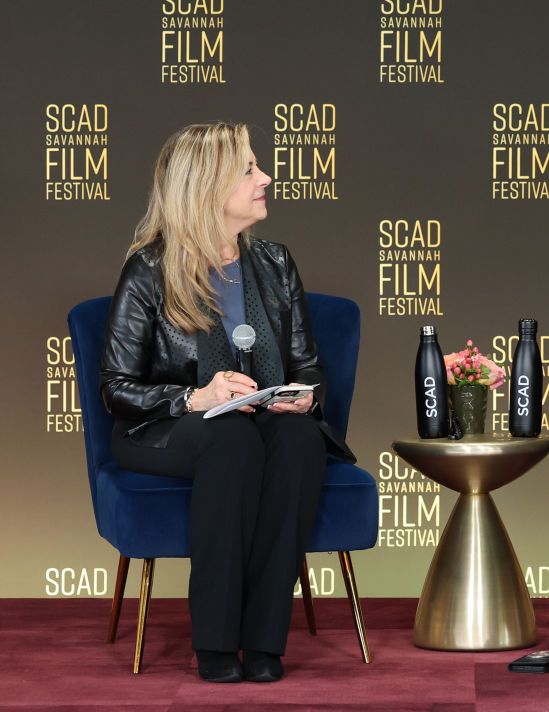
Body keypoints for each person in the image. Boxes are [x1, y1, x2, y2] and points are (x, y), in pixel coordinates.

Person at [100, 122, 354, 683]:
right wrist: (195, 397)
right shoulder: (149, 269)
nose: (266, 177)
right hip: (168, 428)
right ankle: (216, 641)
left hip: (261, 418)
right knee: (230, 437)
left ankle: (265, 640)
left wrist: (302, 397)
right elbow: (117, 387)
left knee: (297, 438)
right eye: (249, 170)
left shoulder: (275, 261)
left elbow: (307, 364)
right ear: (207, 186)